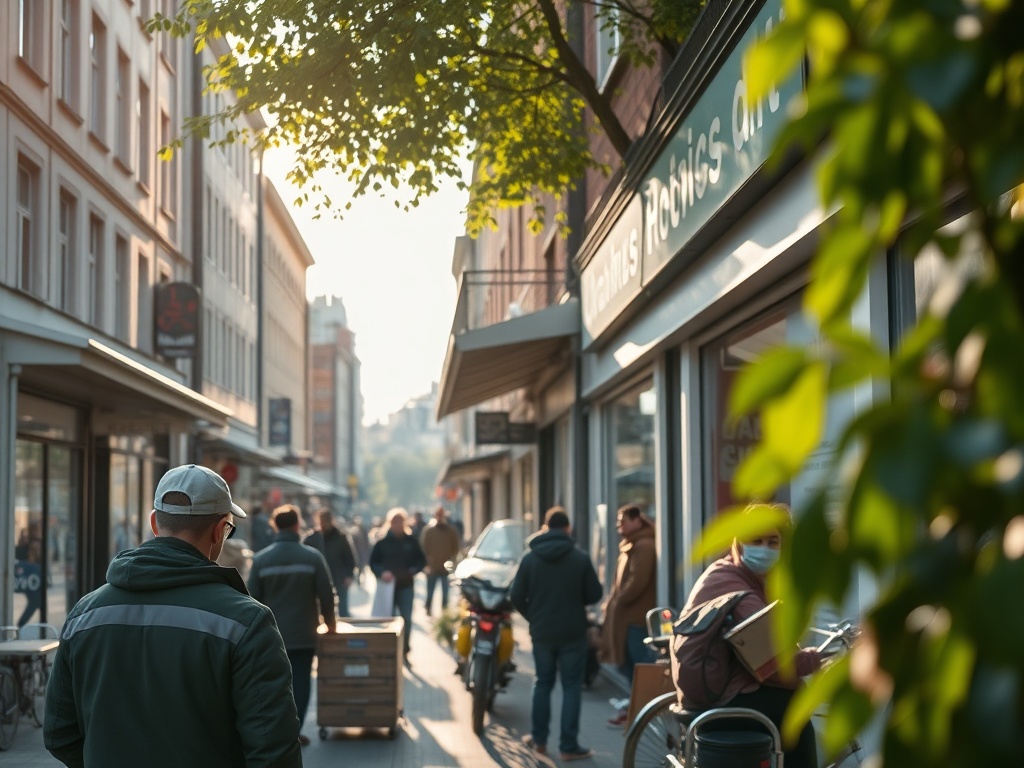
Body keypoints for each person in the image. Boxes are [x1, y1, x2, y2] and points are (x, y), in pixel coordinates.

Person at [44, 463, 302, 768]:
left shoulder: (84, 615)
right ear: (220, 531)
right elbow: (274, 751)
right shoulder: (246, 623)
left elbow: (60, 732)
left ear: (155, 523)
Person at [676, 502, 823, 768]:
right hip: (723, 695)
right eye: (756, 540)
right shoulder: (735, 586)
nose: (765, 548)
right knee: (796, 714)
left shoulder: (736, 573)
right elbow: (772, 663)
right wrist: (810, 661)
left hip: (722, 683)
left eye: (773, 542)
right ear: (739, 543)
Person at [511, 507, 603, 762]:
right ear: (567, 529)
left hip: (542, 632)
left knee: (542, 682)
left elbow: (516, 595)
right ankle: (568, 746)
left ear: (545, 527)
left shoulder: (530, 558)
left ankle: (539, 741)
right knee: (572, 686)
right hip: (573, 632)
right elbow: (594, 594)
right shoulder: (579, 558)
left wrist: (535, 616)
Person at [248, 504, 337, 746]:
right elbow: (326, 595)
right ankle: (294, 732)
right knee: (300, 680)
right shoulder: (312, 558)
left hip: (270, 636)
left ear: (275, 526)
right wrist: (330, 626)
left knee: (274, 684)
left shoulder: (261, 560)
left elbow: (250, 600)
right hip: (304, 634)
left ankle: (275, 732)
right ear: (297, 525)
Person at [602, 503, 658, 726]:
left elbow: (637, 581)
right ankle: (634, 708)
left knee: (637, 665)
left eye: (622, 521)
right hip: (627, 618)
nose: (618, 526)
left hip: (635, 619)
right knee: (627, 664)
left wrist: (620, 599)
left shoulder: (643, 546)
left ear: (636, 521)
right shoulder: (632, 545)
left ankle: (641, 711)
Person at [369, 507, 427, 659]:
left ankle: (404, 649)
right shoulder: (382, 543)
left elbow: (421, 560)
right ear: (390, 524)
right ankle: (388, 649)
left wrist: (414, 569)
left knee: (406, 617)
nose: (398, 526)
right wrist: (382, 572)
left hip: (406, 585)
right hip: (387, 587)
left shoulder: (411, 541)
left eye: (400, 522)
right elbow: (373, 562)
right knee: (387, 618)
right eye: (395, 523)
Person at [304, 509, 357, 616]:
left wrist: (348, 575)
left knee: (343, 611)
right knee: (320, 608)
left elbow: (349, 558)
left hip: (339, 577)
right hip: (318, 578)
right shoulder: (312, 539)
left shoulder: (340, 537)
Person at [420, 506, 462, 616]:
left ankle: (444, 612)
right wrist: (427, 564)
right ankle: (428, 608)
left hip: (445, 567)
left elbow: (455, 547)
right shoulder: (429, 530)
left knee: (445, 592)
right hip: (432, 567)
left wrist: (452, 562)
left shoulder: (450, 531)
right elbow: (424, 547)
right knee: (430, 591)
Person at [350, 516, 372, 585]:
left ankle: (360, 576)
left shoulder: (363, 531)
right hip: (357, 552)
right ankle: (359, 577)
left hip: (362, 551)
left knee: (362, 566)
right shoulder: (354, 532)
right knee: (360, 565)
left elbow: (366, 542)